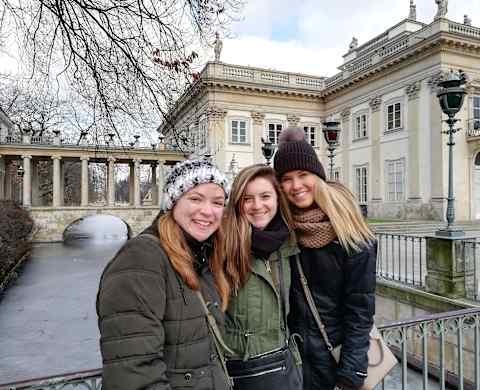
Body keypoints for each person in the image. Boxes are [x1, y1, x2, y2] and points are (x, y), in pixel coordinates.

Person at [96, 157, 232, 390]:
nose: (208, 211)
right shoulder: (141, 258)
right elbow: (134, 374)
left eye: (218, 202)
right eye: (195, 198)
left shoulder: (203, 257)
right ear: (173, 202)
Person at [273, 128, 377, 390]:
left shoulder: (351, 236)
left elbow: (360, 312)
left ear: (317, 176)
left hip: (334, 363)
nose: (296, 186)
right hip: (291, 362)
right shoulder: (282, 230)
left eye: (303, 175)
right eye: (286, 179)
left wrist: (351, 375)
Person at [222, 164, 302, 390]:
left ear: (277, 199)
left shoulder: (289, 243)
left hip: (285, 369)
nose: (257, 206)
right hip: (241, 371)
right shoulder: (223, 246)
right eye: (248, 199)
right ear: (238, 203)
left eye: (265, 196)